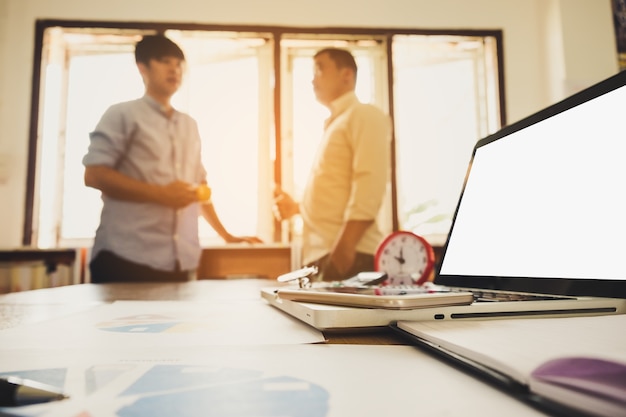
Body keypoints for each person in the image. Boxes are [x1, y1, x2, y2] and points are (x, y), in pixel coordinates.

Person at [83, 35, 261, 283]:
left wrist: (227, 236)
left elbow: (200, 189)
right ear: (142, 67)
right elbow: (94, 175)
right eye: (165, 61)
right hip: (125, 258)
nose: (174, 69)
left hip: (180, 261)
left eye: (179, 64)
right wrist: (159, 194)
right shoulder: (121, 114)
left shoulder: (190, 125)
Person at [274, 48, 391, 281]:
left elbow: (369, 181)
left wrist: (345, 246)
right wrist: (298, 207)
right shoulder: (335, 123)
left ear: (346, 75)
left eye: (320, 69)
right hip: (328, 255)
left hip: (349, 254)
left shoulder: (365, 115)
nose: (312, 78)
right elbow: (335, 191)